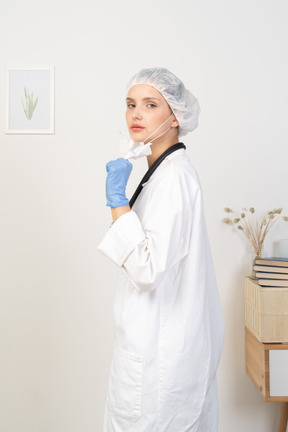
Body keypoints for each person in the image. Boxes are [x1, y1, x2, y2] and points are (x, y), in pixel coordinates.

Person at [97, 67, 225, 432]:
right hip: (149, 351)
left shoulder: (175, 179)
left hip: (160, 361)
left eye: (150, 104)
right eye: (130, 104)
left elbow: (146, 271)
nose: (136, 114)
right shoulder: (160, 173)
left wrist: (116, 202)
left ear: (175, 117)